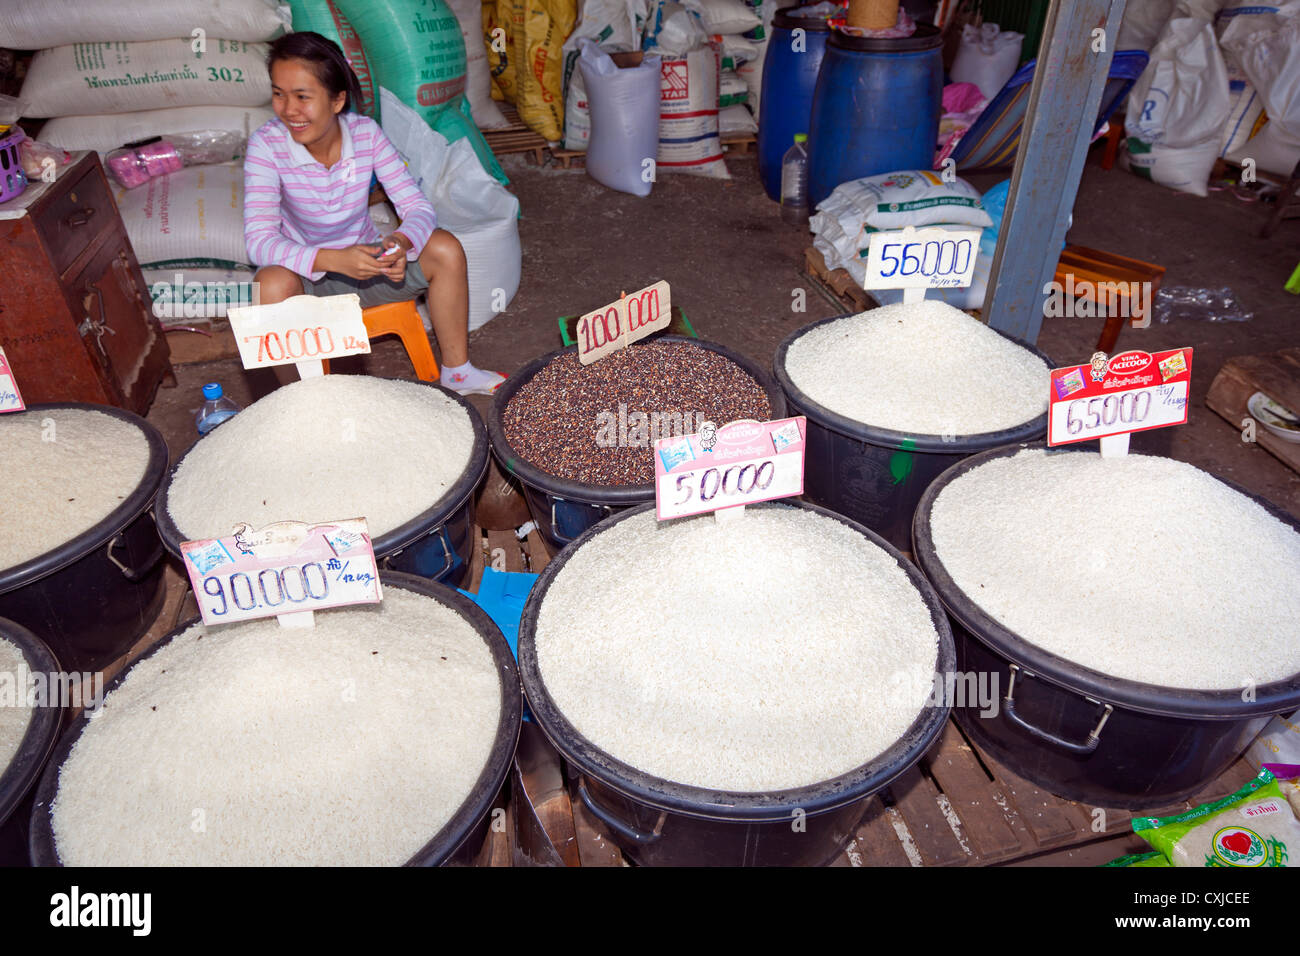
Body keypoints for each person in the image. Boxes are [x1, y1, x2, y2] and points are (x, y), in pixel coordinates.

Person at [244, 32, 504, 395]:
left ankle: (458, 372)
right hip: (308, 282)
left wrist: (401, 241)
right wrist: (333, 259)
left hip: (369, 269)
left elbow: (416, 207)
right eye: (278, 94)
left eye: (302, 96)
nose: (289, 110)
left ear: (337, 100)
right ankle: (300, 402)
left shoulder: (365, 134)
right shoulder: (266, 146)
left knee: (444, 247)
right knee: (268, 284)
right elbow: (258, 241)